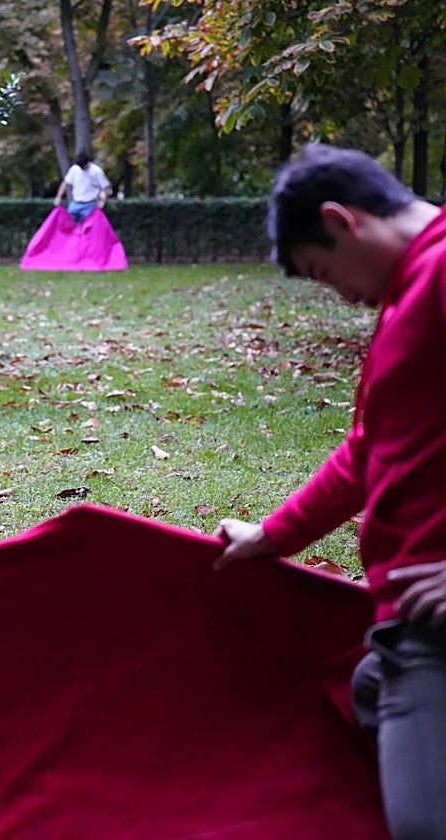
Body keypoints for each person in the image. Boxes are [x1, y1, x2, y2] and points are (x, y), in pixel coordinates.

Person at [211, 144, 446, 840]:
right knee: (365, 690)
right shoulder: (413, 289)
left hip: (432, 629)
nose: (340, 295)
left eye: (323, 273)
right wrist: (272, 535)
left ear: (343, 221)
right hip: (403, 621)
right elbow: (369, 451)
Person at [54, 150, 110, 224]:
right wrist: (58, 197)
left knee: (89, 226)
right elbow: (65, 183)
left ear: (88, 162)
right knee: (68, 223)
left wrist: (102, 201)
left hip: (90, 204)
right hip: (75, 203)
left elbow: (105, 187)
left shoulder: (96, 171)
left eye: (84, 166)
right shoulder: (74, 169)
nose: (82, 168)